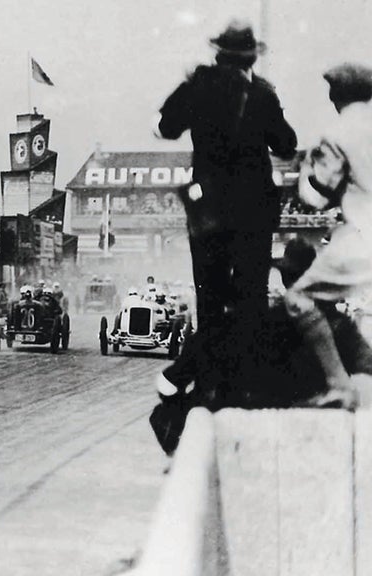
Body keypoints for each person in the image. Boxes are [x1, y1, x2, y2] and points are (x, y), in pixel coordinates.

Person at [152, 237, 372, 453]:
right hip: (323, 437)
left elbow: (169, 384)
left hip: (258, 438)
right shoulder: (342, 327)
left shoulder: (259, 324)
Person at [156, 20, 297, 336]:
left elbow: (165, 128)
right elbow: (287, 146)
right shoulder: (263, 94)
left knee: (209, 300)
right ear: (251, 58)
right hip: (254, 211)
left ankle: (208, 379)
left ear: (218, 54)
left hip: (208, 211)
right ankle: (247, 378)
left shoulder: (197, 86)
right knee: (252, 299)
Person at [284, 63, 372, 407]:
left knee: (299, 299)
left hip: (366, 235)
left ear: (337, 95)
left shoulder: (337, 133)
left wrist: (307, 171)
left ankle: (339, 384)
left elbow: (315, 197)